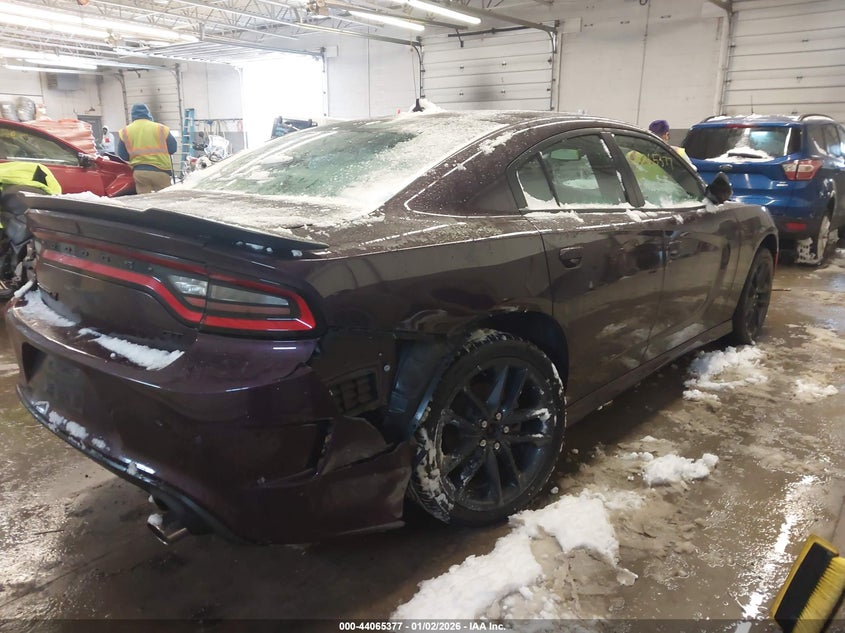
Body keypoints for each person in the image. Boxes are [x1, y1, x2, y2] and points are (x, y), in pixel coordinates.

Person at [117, 104, 177, 194]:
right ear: (148, 114)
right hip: (161, 171)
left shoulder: (125, 131)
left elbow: (122, 155)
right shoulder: (160, 128)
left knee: (144, 201)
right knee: (165, 202)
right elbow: (173, 148)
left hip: (140, 173)